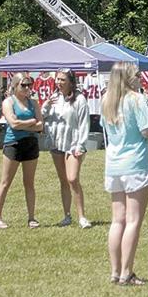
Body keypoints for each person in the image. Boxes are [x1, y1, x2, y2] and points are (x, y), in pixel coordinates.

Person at [102, 62, 148, 286]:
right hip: (135, 163)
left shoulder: (107, 100)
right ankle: (127, 271)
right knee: (133, 221)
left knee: (117, 220)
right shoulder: (136, 99)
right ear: (128, 77)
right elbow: (147, 130)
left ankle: (115, 271)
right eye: (137, 75)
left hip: (114, 165)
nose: (140, 78)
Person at [0, 73, 43, 229]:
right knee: (5, 182)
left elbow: (41, 125)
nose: (27, 88)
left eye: (29, 85)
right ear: (15, 86)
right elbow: (13, 123)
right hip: (13, 144)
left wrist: (28, 124)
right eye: (23, 85)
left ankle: (32, 218)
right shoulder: (8, 102)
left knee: (29, 183)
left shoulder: (33, 103)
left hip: (31, 143)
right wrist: (31, 122)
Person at [43, 70, 92, 229]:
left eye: (62, 79)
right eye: (57, 79)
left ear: (71, 82)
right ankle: (67, 216)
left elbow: (84, 123)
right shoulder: (54, 98)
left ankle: (82, 217)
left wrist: (80, 144)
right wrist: (46, 106)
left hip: (73, 144)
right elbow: (46, 118)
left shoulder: (79, 99)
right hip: (57, 143)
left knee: (72, 179)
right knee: (63, 180)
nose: (59, 82)